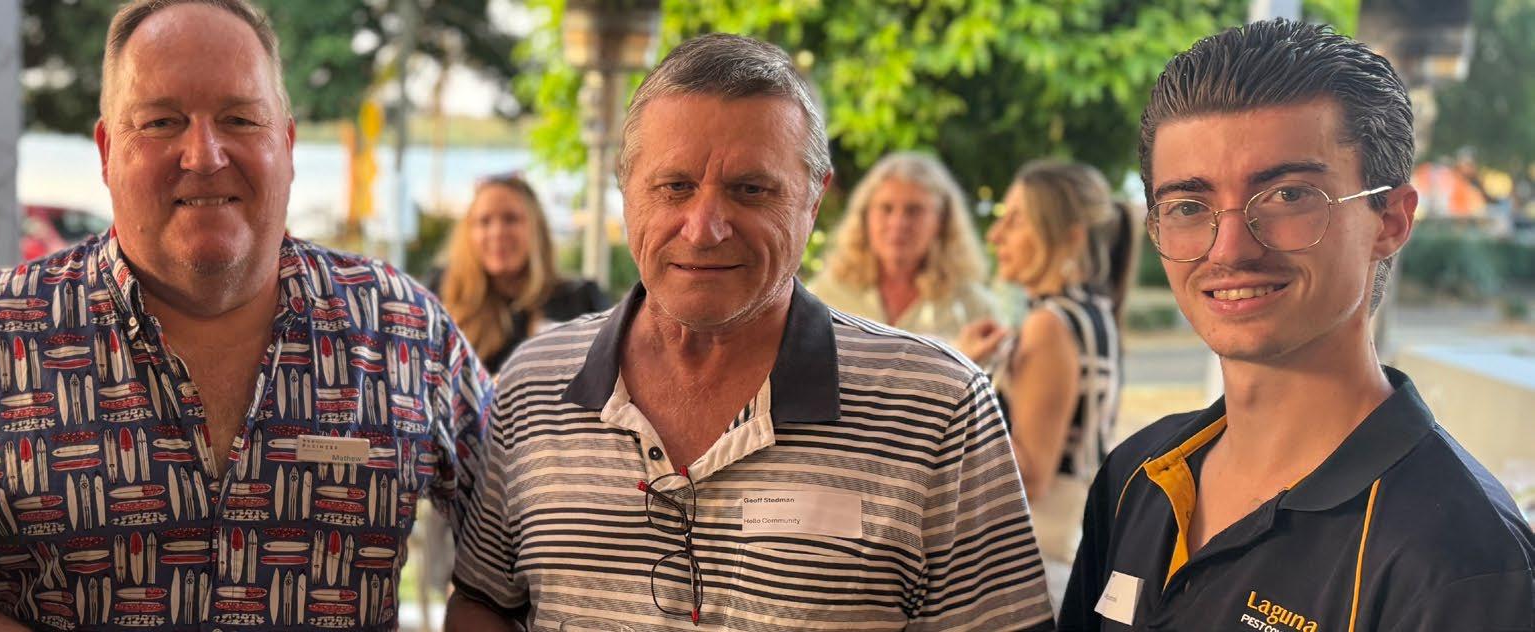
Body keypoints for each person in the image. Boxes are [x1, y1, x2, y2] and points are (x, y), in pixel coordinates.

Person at [0, 1, 490, 630]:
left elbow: (515, 550)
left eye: (239, 118)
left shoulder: (402, 328)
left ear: (287, 144)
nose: (204, 155)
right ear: (107, 150)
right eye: (162, 122)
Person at [446, 33, 1051, 631]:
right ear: (626, 191)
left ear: (814, 200)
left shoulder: (938, 405)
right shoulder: (534, 386)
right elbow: (484, 604)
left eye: (751, 190)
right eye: (675, 186)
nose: (705, 228)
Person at [1061, 19, 1535, 630]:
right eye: (1188, 206)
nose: (1230, 249)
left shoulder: (1462, 563)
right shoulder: (1138, 475)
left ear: (1391, 220)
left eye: (1288, 195)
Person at [958, 159, 1124, 594]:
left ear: (1069, 237)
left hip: (1032, 563)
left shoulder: (1049, 325)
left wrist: (964, 378)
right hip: (1059, 555)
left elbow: (1028, 478)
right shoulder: (1093, 314)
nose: (996, 235)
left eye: (1015, 221)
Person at [808, 151, 999, 342]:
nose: (898, 223)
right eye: (886, 208)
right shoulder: (823, 297)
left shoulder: (974, 308)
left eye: (914, 210)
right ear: (865, 217)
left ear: (942, 221)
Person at [433, 173, 610, 373]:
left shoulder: (580, 300)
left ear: (537, 229)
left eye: (511, 219)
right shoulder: (442, 294)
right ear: (468, 233)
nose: (497, 232)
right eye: (484, 221)